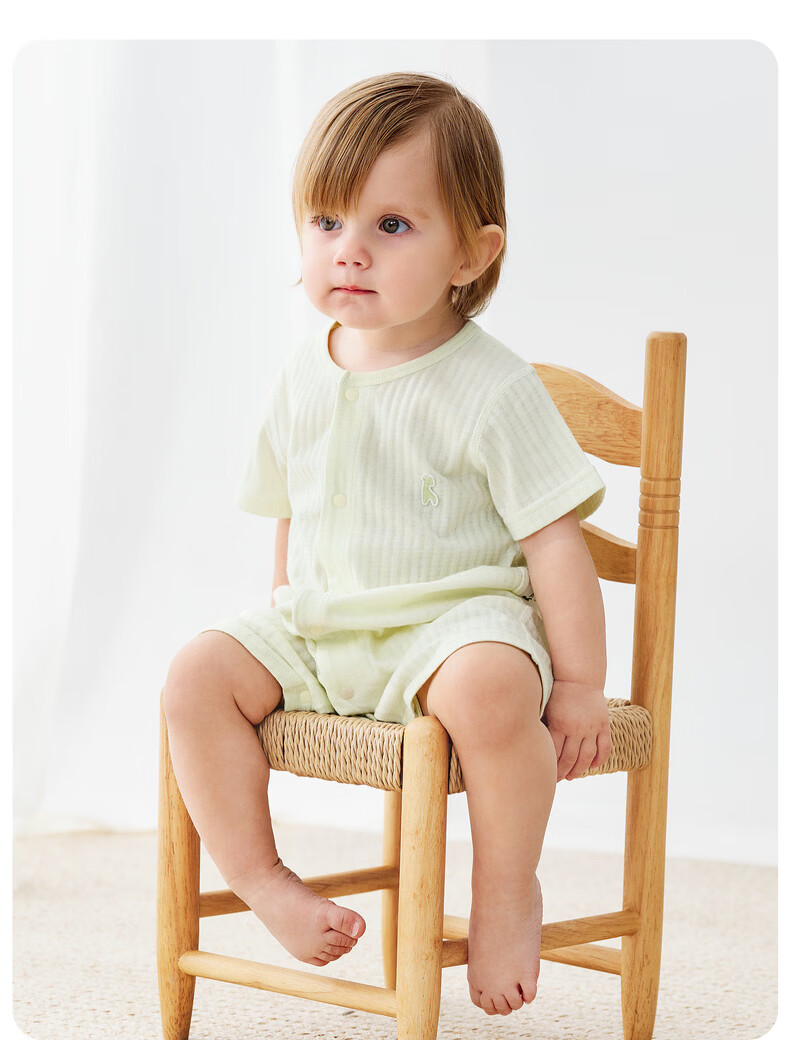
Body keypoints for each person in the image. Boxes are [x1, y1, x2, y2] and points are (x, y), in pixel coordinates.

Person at [163, 71, 612, 1018]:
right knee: (195, 676)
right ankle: (264, 879)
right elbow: (293, 512)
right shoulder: (305, 371)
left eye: (392, 225)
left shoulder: (494, 388)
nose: (350, 250)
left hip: (453, 631)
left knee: (491, 690)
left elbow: (554, 543)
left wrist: (576, 684)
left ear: (471, 254)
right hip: (326, 624)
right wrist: (277, 627)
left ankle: (505, 894)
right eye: (327, 221)